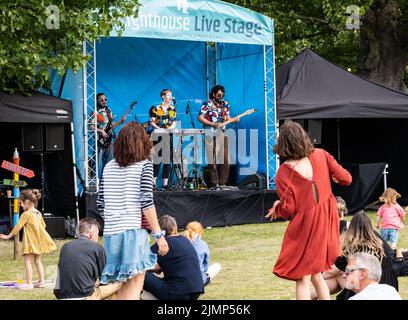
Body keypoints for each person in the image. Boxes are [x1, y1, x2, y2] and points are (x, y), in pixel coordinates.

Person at [265, 120, 352, 300]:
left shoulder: (283, 171)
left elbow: (289, 209)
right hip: (327, 220)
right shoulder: (321, 154)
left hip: (306, 225)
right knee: (316, 273)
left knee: (302, 277)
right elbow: (346, 178)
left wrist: (278, 207)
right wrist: (333, 179)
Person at [97, 122, 169, 300]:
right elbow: (146, 202)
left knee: (123, 285)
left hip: (111, 234)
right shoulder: (144, 165)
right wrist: (159, 236)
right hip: (133, 232)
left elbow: (100, 203)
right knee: (136, 284)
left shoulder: (108, 167)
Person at [333, 211, 399, 300]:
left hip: (371, 281)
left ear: (352, 227)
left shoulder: (357, 245)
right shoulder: (377, 240)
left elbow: (340, 263)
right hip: (390, 281)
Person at [0, 189, 56, 289]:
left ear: (26, 202)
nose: (20, 205)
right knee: (38, 261)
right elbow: (43, 225)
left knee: (27, 261)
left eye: (21, 203)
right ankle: (42, 282)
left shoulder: (25, 214)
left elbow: (18, 227)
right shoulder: (38, 213)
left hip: (30, 242)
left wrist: (8, 236)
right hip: (38, 241)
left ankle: (29, 283)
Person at [54, 218, 122, 300]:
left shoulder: (65, 247)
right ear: (91, 234)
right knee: (121, 283)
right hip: (85, 295)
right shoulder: (97, 248)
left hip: (61, 295)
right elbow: (103, 276)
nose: (98, 236)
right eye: (97, 233)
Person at [143, 215, 204, 300]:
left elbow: (141, 265)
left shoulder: (161, 245)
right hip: (196, 291)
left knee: (138, 273)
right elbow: (177, 262)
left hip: (176, 293)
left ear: (158, 231)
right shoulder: (185, 240)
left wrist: (152, 268)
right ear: (175, 228)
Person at [198, 85, 239, 189]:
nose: (221, 96)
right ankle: (214, 184)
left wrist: (233, 119)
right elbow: (200, 117)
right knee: (212, 160)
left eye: (223, 94)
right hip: (209, 132)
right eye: (219, 94)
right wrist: (212, 124)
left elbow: (227, 117)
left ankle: (223, 184)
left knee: (225, 159)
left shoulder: (226, 104)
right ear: (214, 94)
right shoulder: (207, 104)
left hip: (222, 132)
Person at [89, 93, 125, 177]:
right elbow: (91, 126)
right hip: (99, 140)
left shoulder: (109, 111)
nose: (104, 101)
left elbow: (111, 125)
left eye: (105, 99)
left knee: (108, 164)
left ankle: (104, 182)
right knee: (96, 163)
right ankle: (95, 182)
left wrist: (120, 122)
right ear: (97, 101)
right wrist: (101, 131)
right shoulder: (95, 112)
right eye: (101, 100)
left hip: (109, 140)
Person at [149, 89, 177, 190]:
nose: (170, 97)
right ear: (162, 96)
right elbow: (151, 122)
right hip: (158, 134)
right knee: (157, 159)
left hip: (168, 135)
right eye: (168, 95)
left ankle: (165, 184)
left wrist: (171, 128)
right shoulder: (156, 108)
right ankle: (153, 182)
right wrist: (159, 128)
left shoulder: (172, 109)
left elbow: (174, 121)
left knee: (167, 160)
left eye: (171, 95)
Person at [184, 221, 221, 286]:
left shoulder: (180, 242)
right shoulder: (203, 244)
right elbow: (205, 267)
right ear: (199, 233)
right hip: (198, 281)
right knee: (217, 265)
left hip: (181, 279)